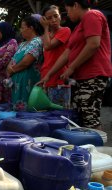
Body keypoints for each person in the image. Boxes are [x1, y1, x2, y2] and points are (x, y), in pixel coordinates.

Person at [40, 0, 112, 129]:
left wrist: (72, 67)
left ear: (76, 5)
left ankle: (96, 148)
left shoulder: (92, 15)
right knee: (81, 117)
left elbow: (93, 44)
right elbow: (67, 54)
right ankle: (87, 147)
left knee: (90, 118)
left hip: (93, 75)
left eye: (67, 10)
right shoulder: (79, 26)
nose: (67, 14)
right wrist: (48, 75)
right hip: (83, 77)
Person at [6, 15, 44, 111]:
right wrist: (9, 68)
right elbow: (13, 59)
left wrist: (12, 70)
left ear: (31, 28)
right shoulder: (22, 44)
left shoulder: (37, 41)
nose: (21, 30)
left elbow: (26, 62)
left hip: (28, 84)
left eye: (23, 27)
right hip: (17, 85)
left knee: (27, 113)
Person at [38, 5, 71, 108]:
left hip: (59, 79)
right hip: (46, 79)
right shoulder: (46, 35)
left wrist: (45, 27)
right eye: (49, 18)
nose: (53, 20)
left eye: (56, 16)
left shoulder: (65, 30)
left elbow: (48, 46)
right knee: (48, 116)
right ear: (44, 19)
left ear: (60, 16)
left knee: (60, 115)